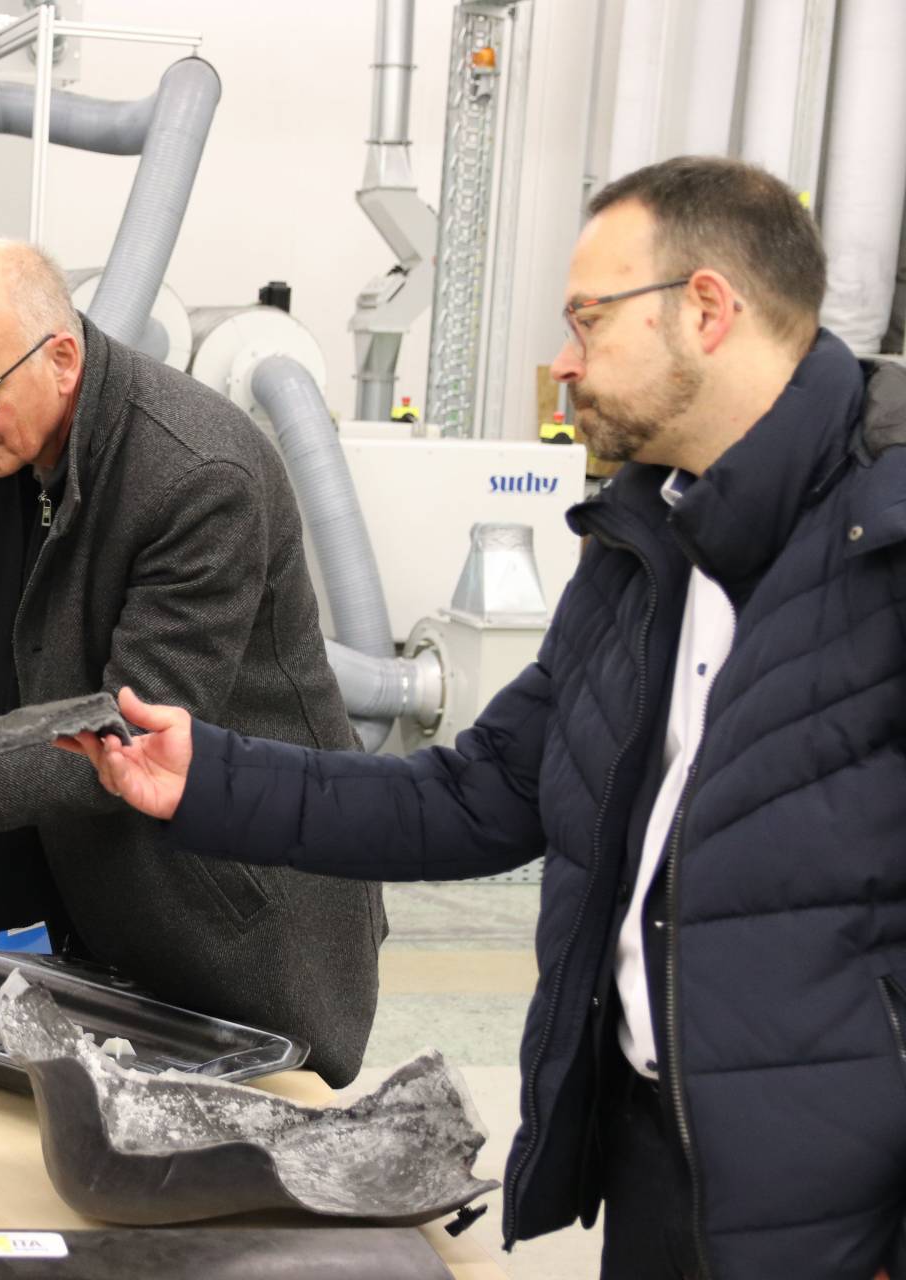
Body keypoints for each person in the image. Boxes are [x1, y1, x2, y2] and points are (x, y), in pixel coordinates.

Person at [61, 156, 906, 1280]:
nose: (562, 362)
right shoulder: (644, 547)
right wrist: (205, 776)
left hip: (846, 1205)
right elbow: (482, 790)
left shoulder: (882, 547)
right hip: (661, 1160)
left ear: (708, 308)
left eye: (589, 320)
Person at [0, 238, 386, 1085]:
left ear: (62, 358)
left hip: (239, 909)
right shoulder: (41, 446)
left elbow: (134, 727)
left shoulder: (202, 476)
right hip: (124, 893)